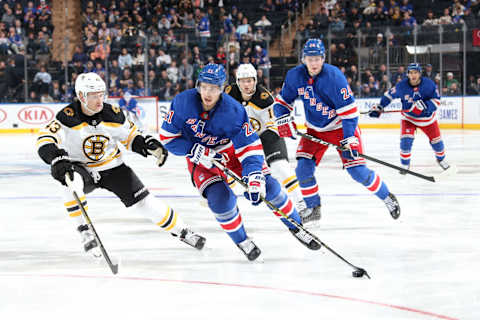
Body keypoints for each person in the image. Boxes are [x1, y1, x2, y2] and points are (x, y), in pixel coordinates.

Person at [159, 64, 320, 261]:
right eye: (204, 86)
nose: (208, 93)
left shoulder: (233, 110)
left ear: (222, 88)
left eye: (214, 88)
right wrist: (192, 150)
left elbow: (249, 147)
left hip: (231, 151)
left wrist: (253, 175)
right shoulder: (182, 102)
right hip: (199, 157)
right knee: (220, 200)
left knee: (269, 187)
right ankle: (242, 240)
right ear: (198, 85)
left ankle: (296, 226)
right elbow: (167, 138)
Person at [37, 72, 205, 258]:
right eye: (93, 96)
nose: (99, 100)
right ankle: (84, 231)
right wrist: (57, 158)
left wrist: (147, 145)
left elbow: (131, 136)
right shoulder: (66, 117)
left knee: (144, 202)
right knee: (70, 181)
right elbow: (45, 138)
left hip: (112, 167)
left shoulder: (113, 114)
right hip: (80, 167)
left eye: (101, 94)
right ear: (81, 96)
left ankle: (182, 231)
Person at [273, 39, 400, 221]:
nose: (314, 63)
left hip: (341, 127)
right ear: (303, 59)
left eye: (318, 58)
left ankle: (387, 197)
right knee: (303, 170)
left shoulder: (334, 77)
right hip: (315, 130)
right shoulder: (295, 76)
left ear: (323, 58)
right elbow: (282, 102)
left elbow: (349, 113)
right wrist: (283, 117)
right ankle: (313, 208)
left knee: (357, 171)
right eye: (310, 58)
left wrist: (349, 138)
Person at [224, 63, 308, 221]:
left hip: (266, 135)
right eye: (243, 81)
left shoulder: (265, 98)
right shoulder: (229, 93)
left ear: (255, 81)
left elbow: (272, 125)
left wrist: (258, 144)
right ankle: (227, 204)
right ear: (237, 81)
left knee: (280, 167)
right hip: (243, 139)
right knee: (227, 167)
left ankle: (301, 204)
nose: (246, 85)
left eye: (249, 81)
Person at [369, 63, 453, 173]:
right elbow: (389, 95)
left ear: (420, 74)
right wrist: (380, 106)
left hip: (428, 119)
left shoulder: (429, 84)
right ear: (408, 74)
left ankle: (441, 159)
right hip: (409, 118)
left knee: (437, 142)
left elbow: (437, 101)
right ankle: (405, 165)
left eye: (416, 72)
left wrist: (425, 106)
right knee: (406, 141)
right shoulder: (401, 86)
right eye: (411, 73)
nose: (413, 75)